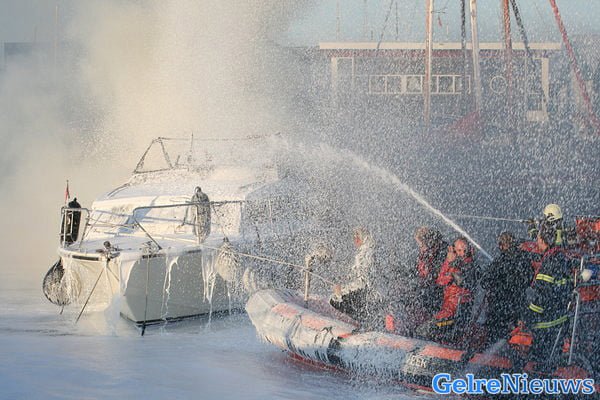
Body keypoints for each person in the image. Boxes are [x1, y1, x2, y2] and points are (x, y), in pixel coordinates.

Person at [515, 224, 572, 368]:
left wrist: (527, 317)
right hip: (559, 319)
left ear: (542, 240)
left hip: (545, 324)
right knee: (551, 358)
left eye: (538, 239)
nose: (537, 242)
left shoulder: (548, 264)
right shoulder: (561, 257)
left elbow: (541, 298)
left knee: (534, 361)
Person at [416, 237, 479, 344]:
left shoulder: (470, 264)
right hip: (447, 307)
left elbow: (463, 280)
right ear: (454, 250)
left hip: (456, 312)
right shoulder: (450, 262)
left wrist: (451, 272)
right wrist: (449, 264)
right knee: (423, 327)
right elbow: (440, 280)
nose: (463, 253)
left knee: (428, 329)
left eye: (465, 250)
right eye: (459, 250)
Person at [481, 232, 532, 345]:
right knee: (513, 335)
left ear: (502, 245)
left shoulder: (500, 262)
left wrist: (498, 285)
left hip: (499, 307)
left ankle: (492, 351)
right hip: (518, 307)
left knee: (494, 335)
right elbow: (529, 280)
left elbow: (484, 281)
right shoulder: (524, 259)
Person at [330, 227, 381, 328]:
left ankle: (365, 323)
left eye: (357, 236)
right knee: (339, 297)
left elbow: (363, 282)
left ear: (363, 238)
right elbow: (360, 275)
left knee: (335, 300)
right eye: (354, 236)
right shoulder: (367, 251)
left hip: (369, 294)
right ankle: (365, 322)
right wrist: (344, 283)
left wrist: (340, 291)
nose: (355, 239)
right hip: (370, 292)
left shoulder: (366, 254)